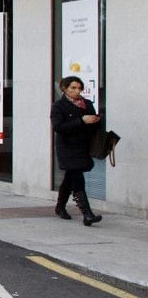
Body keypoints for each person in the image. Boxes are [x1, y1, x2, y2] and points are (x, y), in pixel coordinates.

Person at [49, 76, 103, 226]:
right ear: (64, 88)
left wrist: (96, 120)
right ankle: (87, 214)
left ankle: (60, 207)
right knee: (77, 176)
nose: (76, 91)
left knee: (69, 177)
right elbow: (59, 127)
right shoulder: (59, 106)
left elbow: (93, 126)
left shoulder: (86, 104)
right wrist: (81, 121)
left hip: (83, 146)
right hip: (67, 147)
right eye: (73, 88)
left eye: (79, 88)